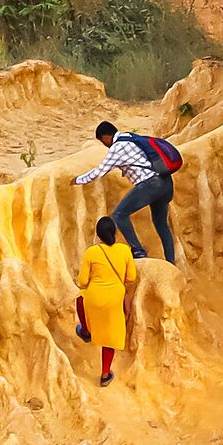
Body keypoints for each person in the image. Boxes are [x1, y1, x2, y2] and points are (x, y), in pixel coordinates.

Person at [75, 119, 179, 262]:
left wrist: (78, 180)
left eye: (102, 141)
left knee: (119, 214)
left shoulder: (118, 148)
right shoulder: (130, 137)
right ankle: (171, 262)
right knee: (161, 224)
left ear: (106, 137)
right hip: (165, 181)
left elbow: (100, 171)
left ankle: (138, 251)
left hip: (150, 184)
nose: (104, 144)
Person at [74, 216, 135, 385]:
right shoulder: (125, 251)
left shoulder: (92, 252)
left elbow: (83, 281)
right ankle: (105, 374)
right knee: (109, 337)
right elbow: (131, 277)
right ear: (114, 232)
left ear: (98, 235)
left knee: (80, 298)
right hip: (114, 299)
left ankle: (85, 331)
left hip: (94, 297)